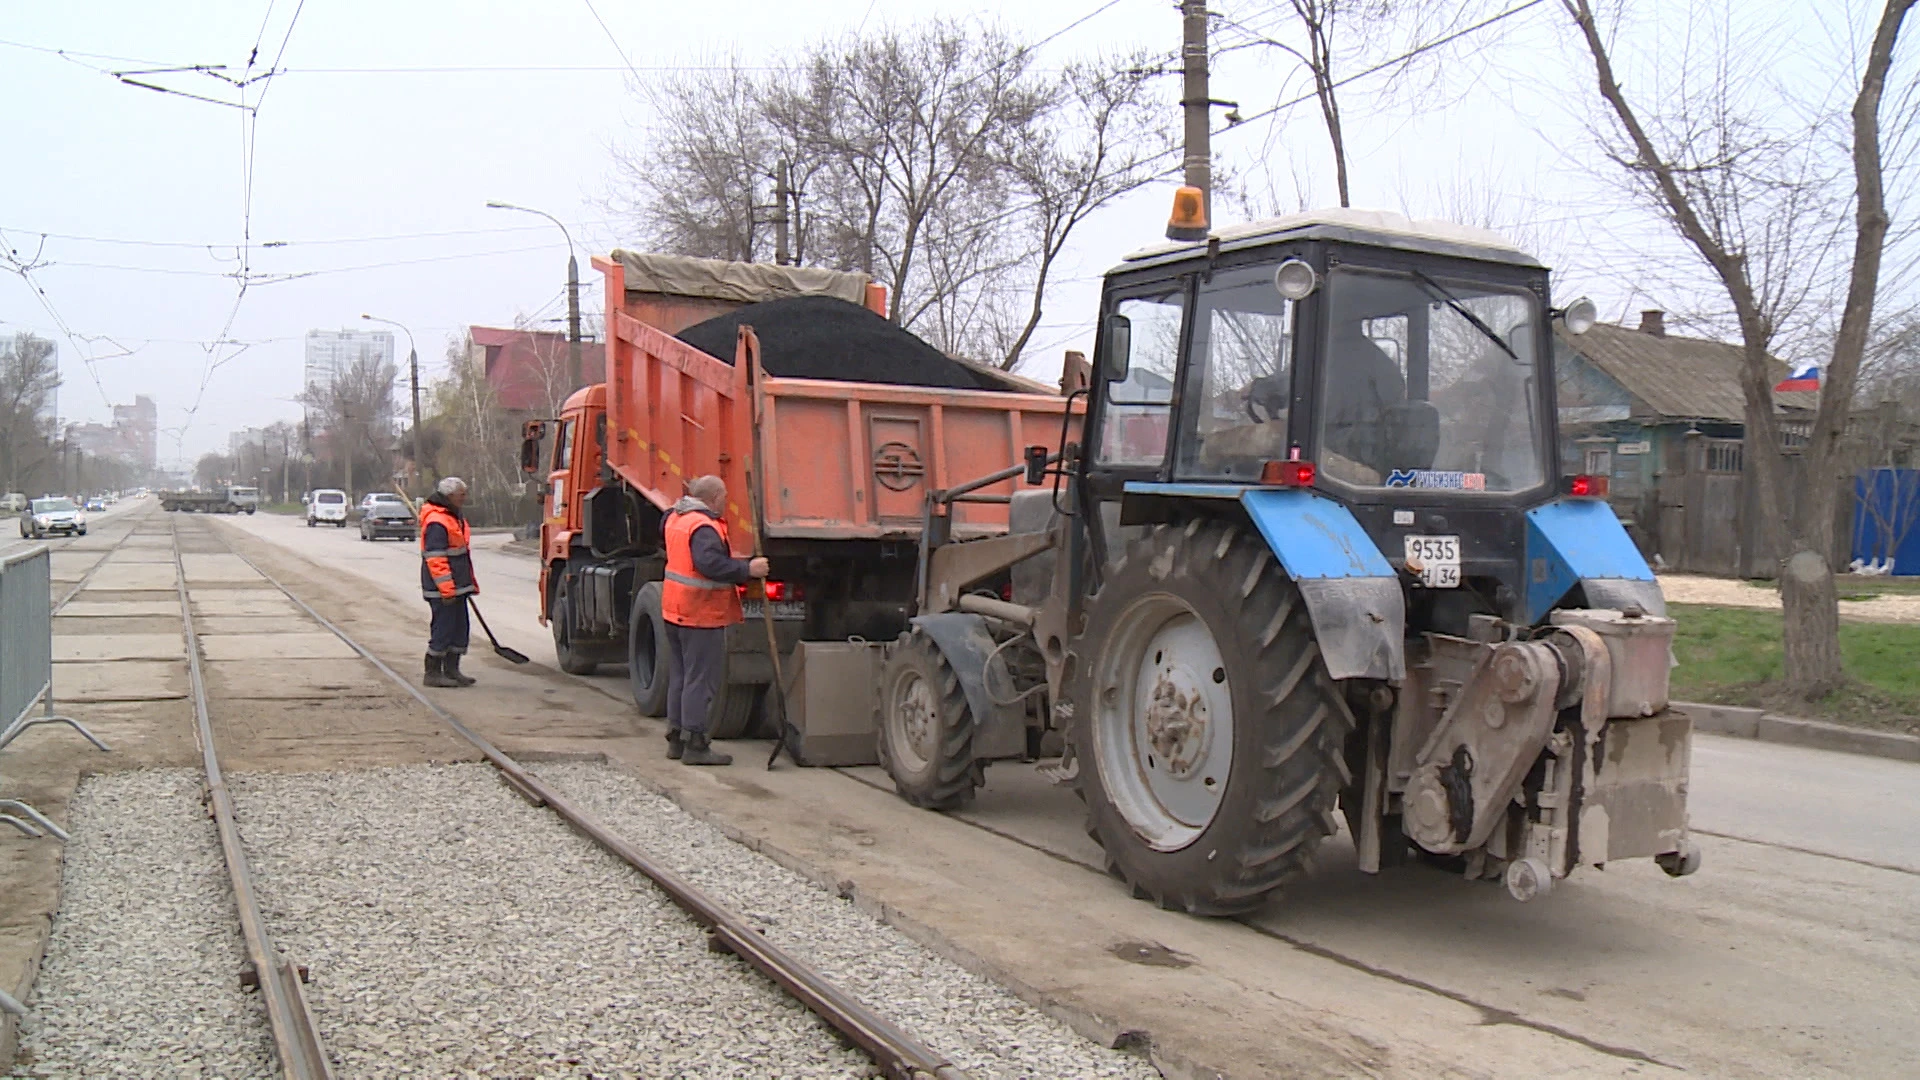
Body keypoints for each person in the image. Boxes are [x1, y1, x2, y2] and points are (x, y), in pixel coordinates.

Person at [661, 474, 768, 766]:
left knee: (681, 675)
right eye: (723, 497)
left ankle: (676, 739)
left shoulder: (676, 517)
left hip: (675, 608)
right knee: (700, 679)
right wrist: (748, 569)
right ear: (712, 498)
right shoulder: (704, 527)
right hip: (700, 612)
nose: (726, 502)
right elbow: (710, 565)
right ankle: (696, 744)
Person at [420, 476, 479, 688]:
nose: (464, 498)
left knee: (459, 628)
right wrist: (447, 589)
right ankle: (433, 672)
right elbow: (436, 559)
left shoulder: (452, 516)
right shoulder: (437, 521)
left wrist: (465, 585)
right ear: (450, 496)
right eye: (461, 494)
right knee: (443, 629)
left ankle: (452, 670)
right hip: (443, 589)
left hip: (457, 586)